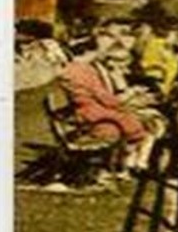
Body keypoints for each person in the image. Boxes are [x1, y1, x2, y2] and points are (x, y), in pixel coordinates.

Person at [59, 44, 165, 172]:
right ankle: (132, 160)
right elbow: (102, 95)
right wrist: (125, 100)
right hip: (92, 111)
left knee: (136, 119)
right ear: (88, 52)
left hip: (86, 108)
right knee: (134, 121)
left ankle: (132, 161)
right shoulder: (84, 70)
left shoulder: (69, 69)